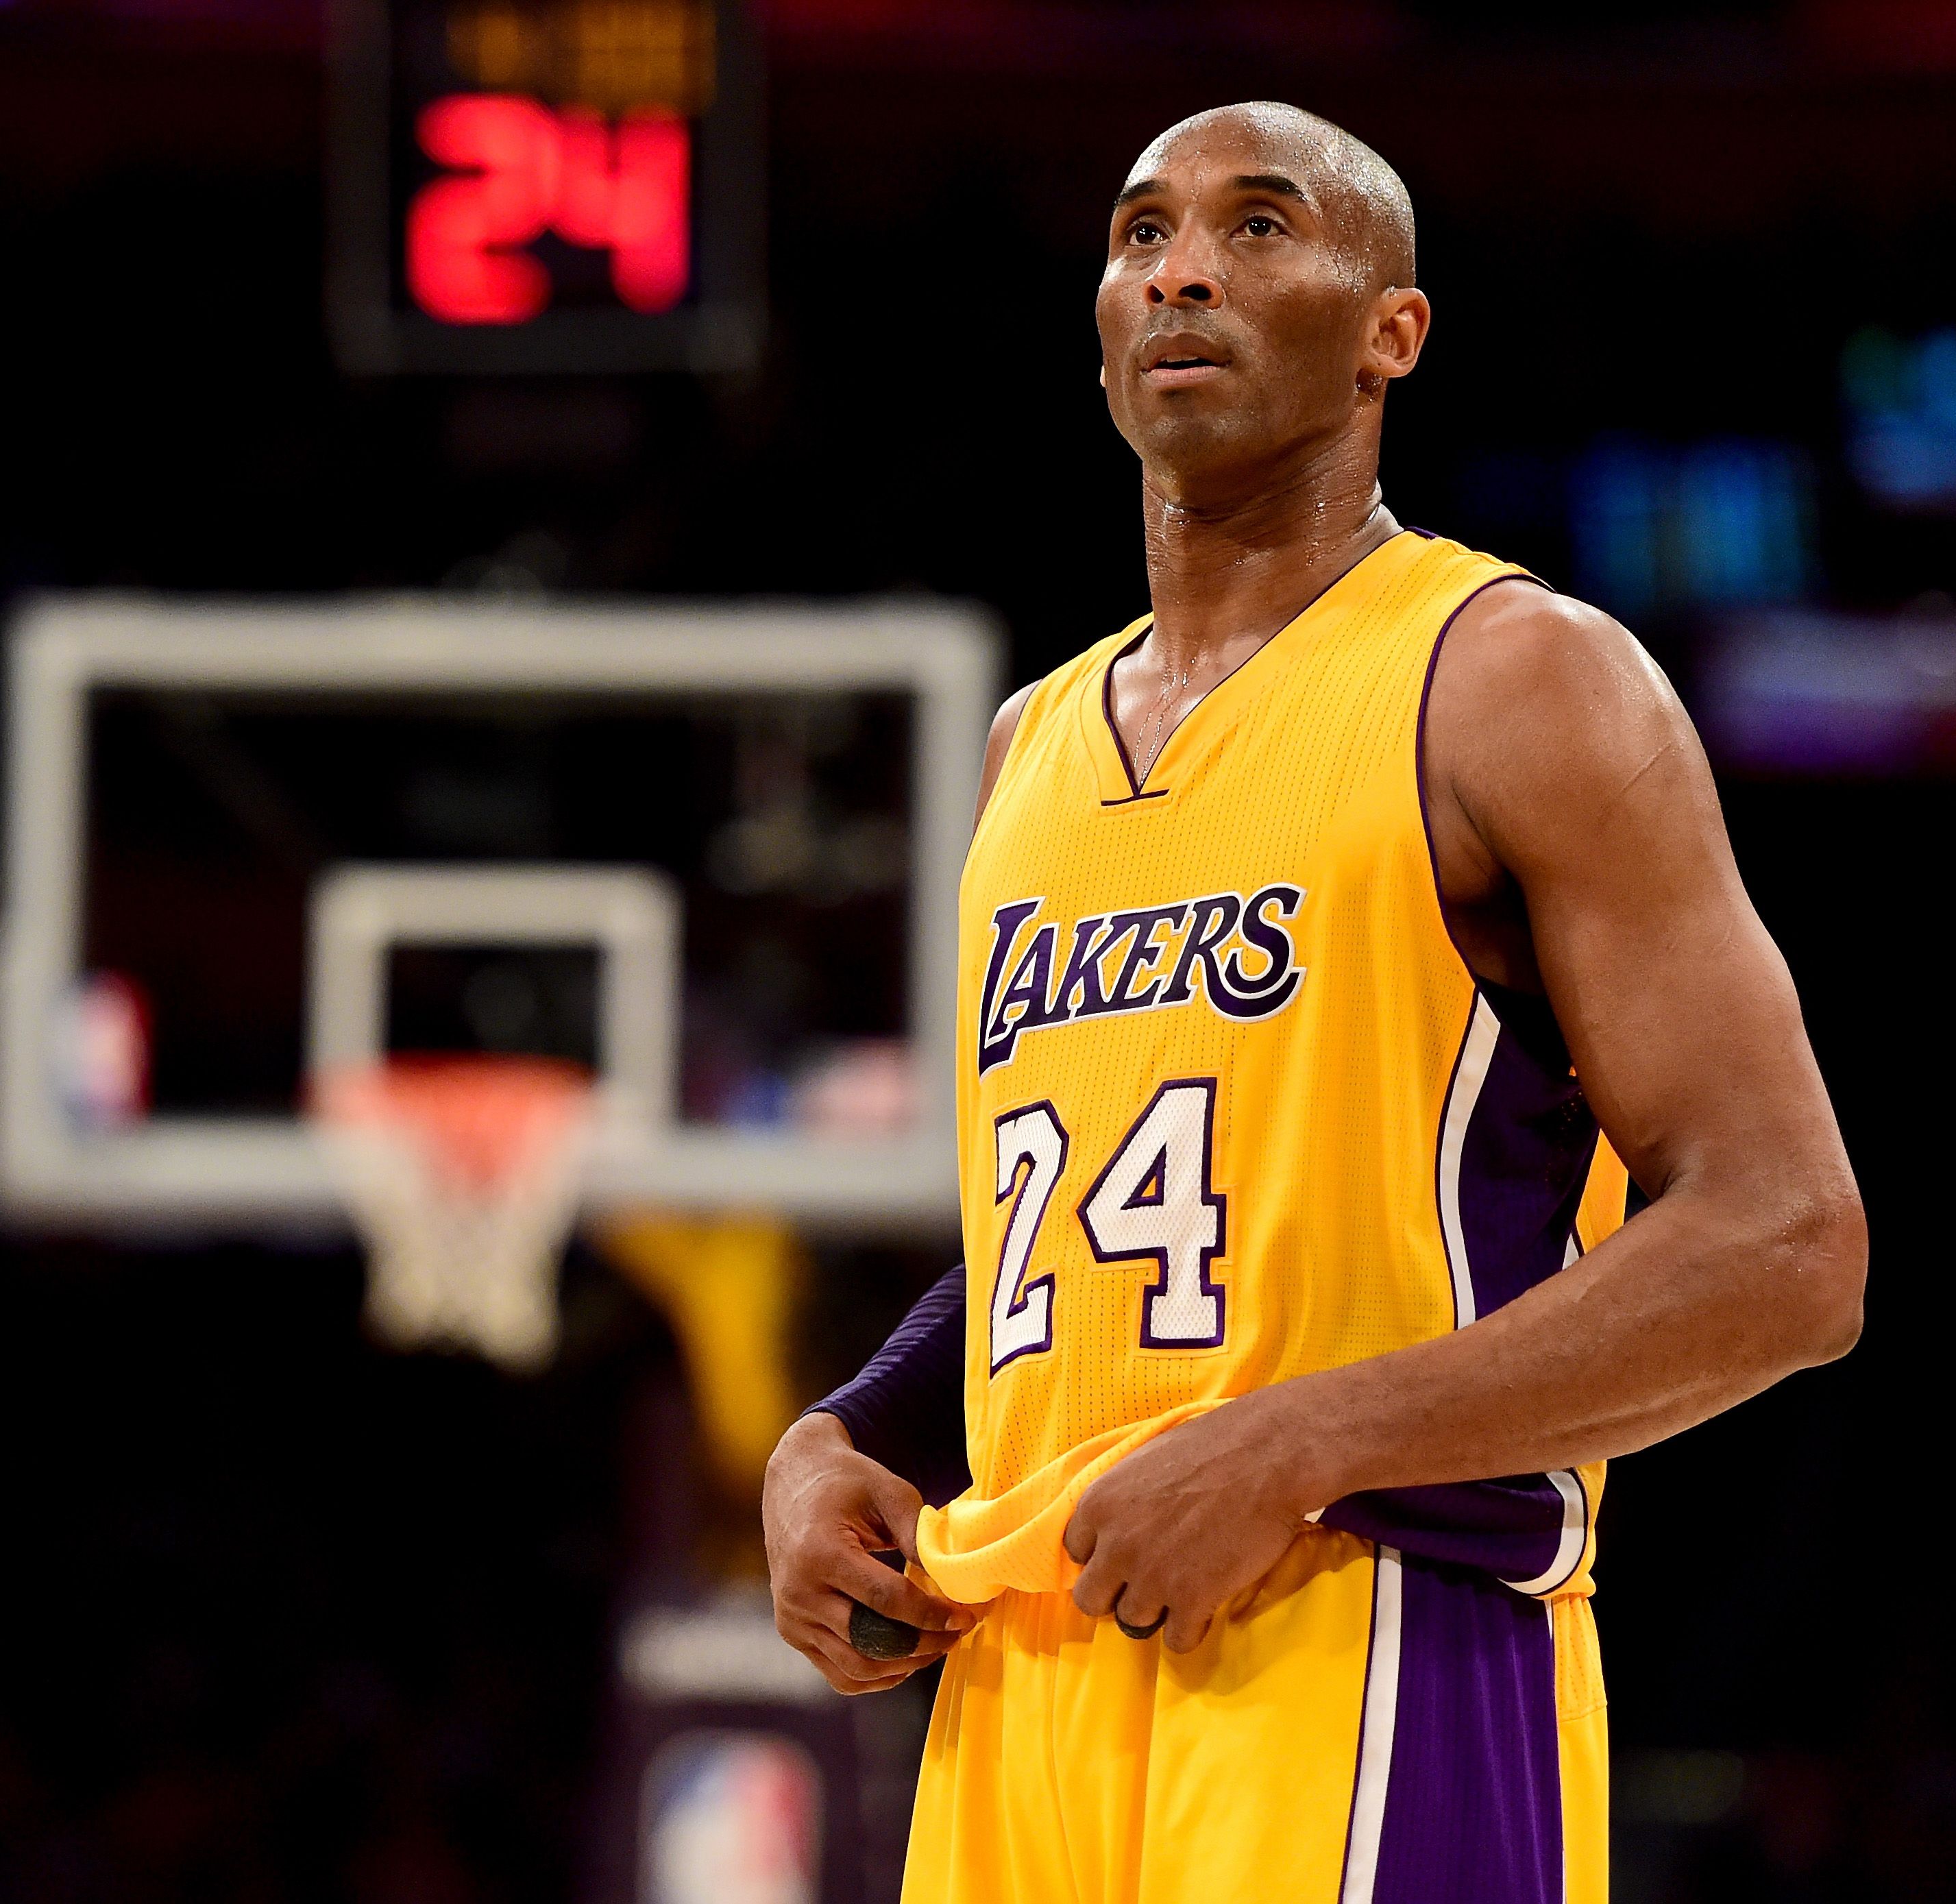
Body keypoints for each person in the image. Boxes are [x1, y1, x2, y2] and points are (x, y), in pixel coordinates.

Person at [760, 101, 1866, 1904]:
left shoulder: (1517, 679)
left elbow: (1790, 1244)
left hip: (1361, 1644)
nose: (1182, 266)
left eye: (1259, 226)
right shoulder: (1024, 750)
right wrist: (851, 1431)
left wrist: (1301, 1441)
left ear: (1391, 331)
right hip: (1018, 1671)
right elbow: (1087, 1231)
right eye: (1139, 235)